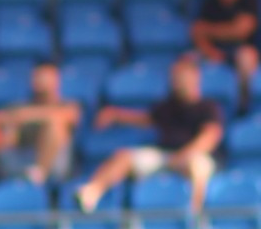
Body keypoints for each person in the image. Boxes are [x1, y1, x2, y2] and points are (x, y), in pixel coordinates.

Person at [77, 57, 224, 214]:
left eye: (182, 76)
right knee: (125, 156)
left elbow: (209, 138)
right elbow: (144, 119)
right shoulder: (168, 106)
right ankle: (92, 192)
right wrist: (115, 115)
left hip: (193, 156)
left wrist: (184, 156)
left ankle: (194, 216)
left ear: (195, 78)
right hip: (166, 156)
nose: (177, 81)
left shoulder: (208, 107)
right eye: (175, 77)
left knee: (198, 167)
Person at [0, 63, 81, 200]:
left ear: (57, 80)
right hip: (19, 159)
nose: (40, 80)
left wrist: (23, 115)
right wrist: (9, 127)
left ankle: (39, 174)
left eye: (45, 77)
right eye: (37, 76)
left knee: (55, 125)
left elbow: (66, 116)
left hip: (54, 164)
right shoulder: (21, 106)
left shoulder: (68, 105)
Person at [192, 0, 259, 102]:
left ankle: (244, 102)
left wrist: (210, 30)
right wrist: (211, 51)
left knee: (246, 57)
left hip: (241, 51)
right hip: (215, 52)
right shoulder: (209, 3)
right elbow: (197, 32)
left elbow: (241, 31)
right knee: (186, 62)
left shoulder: (248, 0)